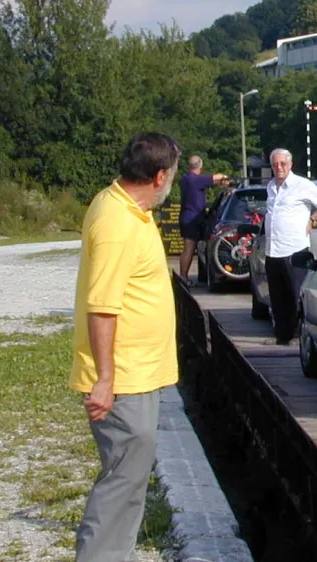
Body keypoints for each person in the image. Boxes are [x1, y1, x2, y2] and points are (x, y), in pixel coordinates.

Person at [70, 132, 182, 561]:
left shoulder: (129, 206)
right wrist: (104, 379)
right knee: (122, 479)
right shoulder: (118, 223)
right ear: (158, 176)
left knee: (131, 477)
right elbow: (102, 307)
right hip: (123, 377)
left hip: (139, 371)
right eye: (170, 174)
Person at [264, 148, 317, 345]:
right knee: (278, 298)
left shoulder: (301, 185)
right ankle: (282, 336)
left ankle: (299, 337)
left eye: (283, 164)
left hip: (294, 250)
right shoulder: (270, 186)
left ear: (290, 165)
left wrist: (312, 219)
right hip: (273, 251)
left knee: (296, 296)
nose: (279, 168)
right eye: (275, 164)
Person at [177, 155, 228, 286]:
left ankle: (184, 276)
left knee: (189, 247)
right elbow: (216, 177)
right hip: (192, 219)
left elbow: (210, 181)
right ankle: (183, 277)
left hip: (187, 216)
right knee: (189, 248)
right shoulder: (195, 179)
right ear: (200, 165)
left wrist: (218, 181)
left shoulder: (186, 178)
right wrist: (225, 178)